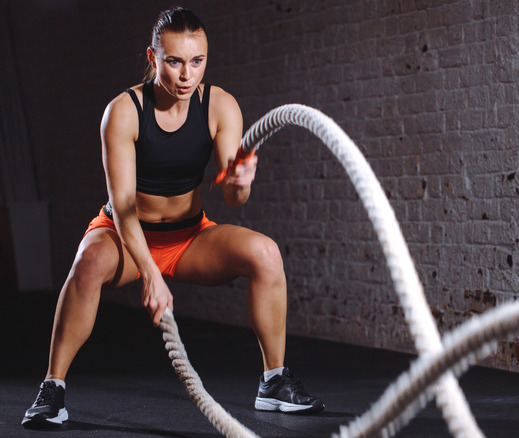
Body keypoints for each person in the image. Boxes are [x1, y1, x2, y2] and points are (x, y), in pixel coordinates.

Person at [22, 7, 323, 428]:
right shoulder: (123, 112)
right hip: (125, 235)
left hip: (188, 236)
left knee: (266, 254)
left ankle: (273, 382)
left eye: (197, 61)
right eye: (175, 62)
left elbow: (234, 198)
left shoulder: (220, 105)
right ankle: (52, 389)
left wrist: (241, 179)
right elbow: (123, 207)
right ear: (153, 58)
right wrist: (149, 272)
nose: (186, 75)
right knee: (87, 263)